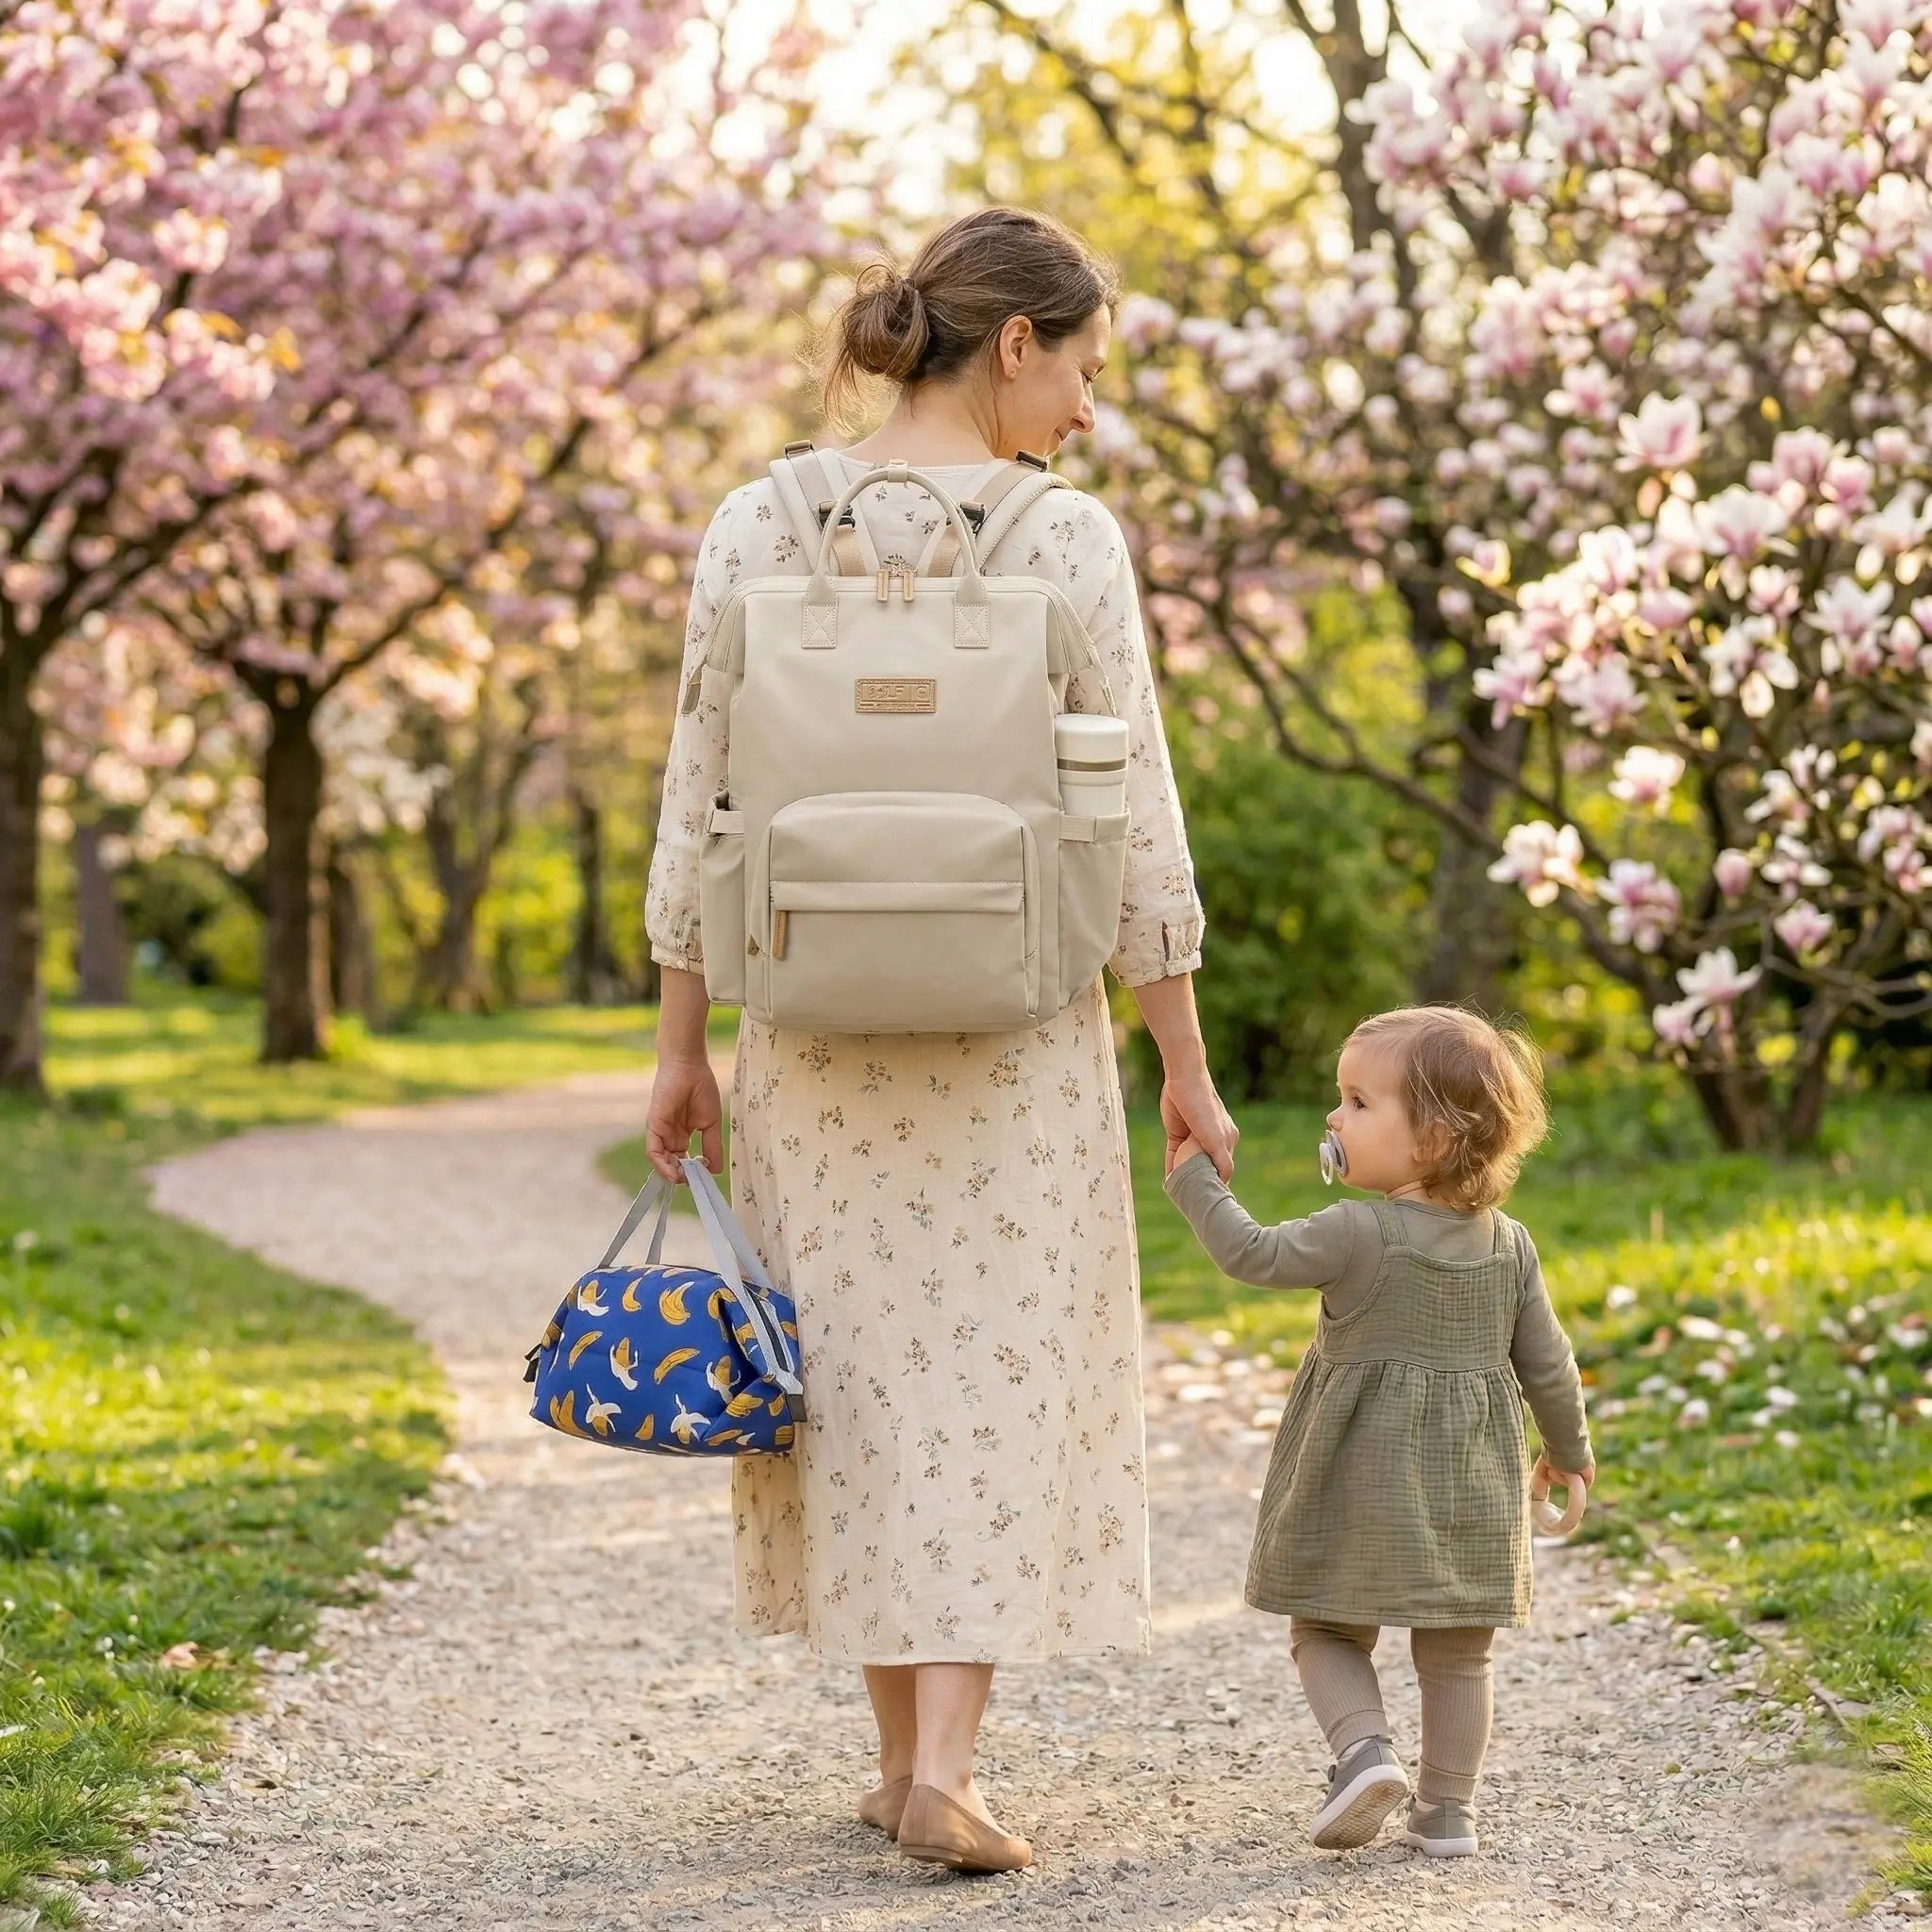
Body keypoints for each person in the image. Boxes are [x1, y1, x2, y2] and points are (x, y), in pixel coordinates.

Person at [642, 205, 1239, 1874]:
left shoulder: (753, 519)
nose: (1089, 415)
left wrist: (683, 1042)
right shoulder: (1061, 540)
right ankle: (945, 1769)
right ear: (1015, 345)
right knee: (985, 1372)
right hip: (1017, 1028)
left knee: (857, 1378)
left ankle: (902, 1748)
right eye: (1085, 373)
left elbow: (699, 796)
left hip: (810, 1029)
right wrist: (1179, 1053)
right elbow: (1133, 822)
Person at [1163, 1005, 1594, 1860]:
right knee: (1459, 1657)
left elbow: (1250, 1253)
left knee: (1325, 1629)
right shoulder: (1511, 1248)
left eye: (1358, 1103)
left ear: (1431, 1140)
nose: (1334, 1118)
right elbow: (1550, 1364)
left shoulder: (1356, 1232)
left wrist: (1193, 1178)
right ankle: (1446, 1816)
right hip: (1470, 1489)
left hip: (1359, 1479)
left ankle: (1363, 1755)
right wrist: (1568, 1455)